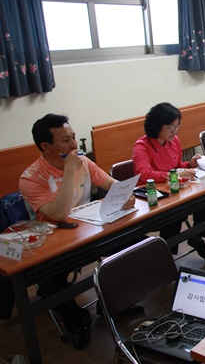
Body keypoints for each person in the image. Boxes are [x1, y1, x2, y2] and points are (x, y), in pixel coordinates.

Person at [19, 114, 135, 350]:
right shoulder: (31, 178)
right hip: (54, 242)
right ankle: (78, 319)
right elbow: (59, 214)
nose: (74, 145)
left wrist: (125, 195)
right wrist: (69, 170)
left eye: (73, 137)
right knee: (49, 286)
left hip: (88, 230)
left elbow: (111, 184)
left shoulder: (84, 163)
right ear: (46, 146)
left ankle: (111, 301)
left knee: (135, 245)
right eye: (66, 140)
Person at [132, 103, 205, 261]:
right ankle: (166, 254)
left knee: (203, 196)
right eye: (170, 127)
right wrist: (174, 174)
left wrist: (189, 165)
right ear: (157, 126)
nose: (174, 131)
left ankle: (196, 235)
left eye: (177, 126)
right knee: (175, 211)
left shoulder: (173, 141)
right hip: (152, 196)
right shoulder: (142, 146)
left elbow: (177, 166)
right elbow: (145, 174)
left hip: (174, 190)